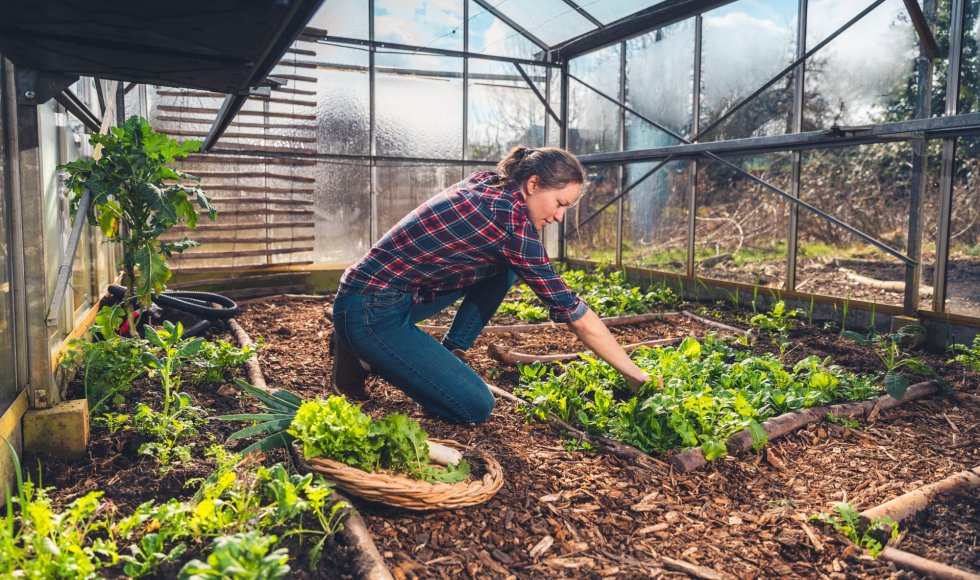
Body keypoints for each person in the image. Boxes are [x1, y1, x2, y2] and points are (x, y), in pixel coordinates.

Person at [331, 146, 651, 424]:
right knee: (474, 406)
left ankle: (446, 351)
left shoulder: (490, 181)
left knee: (506, 269)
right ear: (533, 184)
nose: (559, 216)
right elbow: (576, 317)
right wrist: (635, 376)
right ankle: (363, 351)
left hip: (383, 294)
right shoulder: (509, 224)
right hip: (370, 310)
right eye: (559, 203)